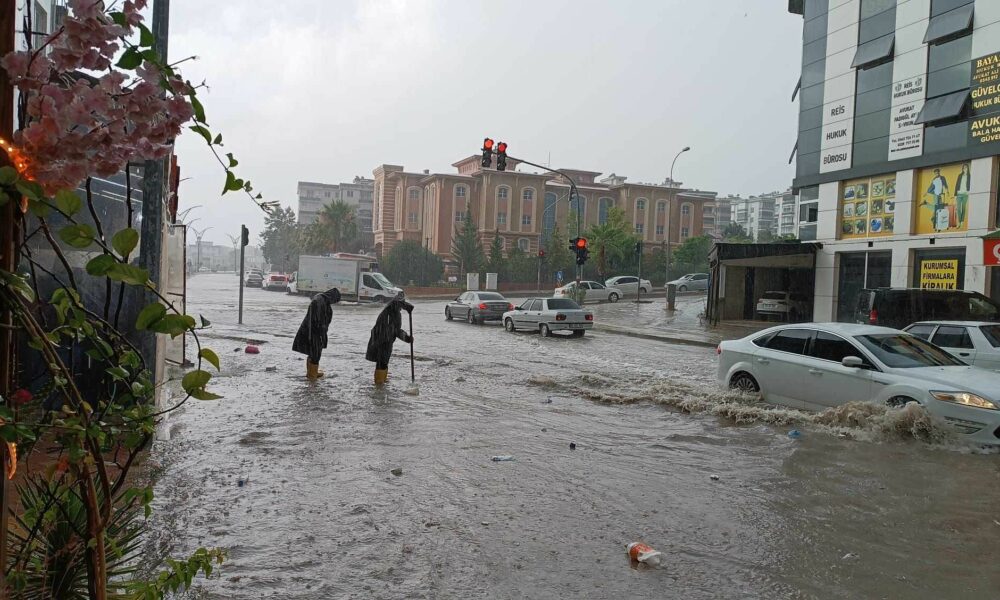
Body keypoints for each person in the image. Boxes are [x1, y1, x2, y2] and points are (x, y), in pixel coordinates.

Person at [292, 288, 341, 379]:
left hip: (314, 331)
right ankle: (312, 376)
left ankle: (311, 373)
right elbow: (317, 320)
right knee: (315, 354)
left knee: (313, 353)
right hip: (314, 332)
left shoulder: (322, 300)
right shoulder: (319, 301)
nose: (334, 302)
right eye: (335, 300)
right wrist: (319, 333)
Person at [366, 295, 414, 385]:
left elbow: (396, 330)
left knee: (384, 362)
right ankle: (379, 384)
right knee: (382, 362)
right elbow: (395, 330)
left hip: (386, 340)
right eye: (401, 305)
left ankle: (382, 382)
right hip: (382, 341)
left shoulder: (394, 312)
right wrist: (406, 338)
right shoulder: (389, 312)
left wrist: (407, 338)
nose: (401, 308)